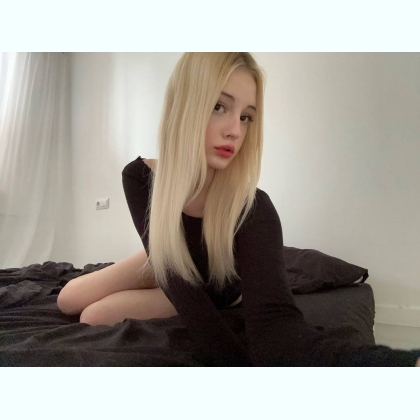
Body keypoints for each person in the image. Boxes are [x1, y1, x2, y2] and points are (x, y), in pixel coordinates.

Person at [57, 52, 420, 367]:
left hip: (215, 286)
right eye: (220, 106)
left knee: (94, 316)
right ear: (186, 105)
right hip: (168, 258)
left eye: (246, 116)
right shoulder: (139, 177)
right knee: (67, 299)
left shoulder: (254, 208)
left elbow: (277, 331)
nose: (235, 130)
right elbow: (172, 273)